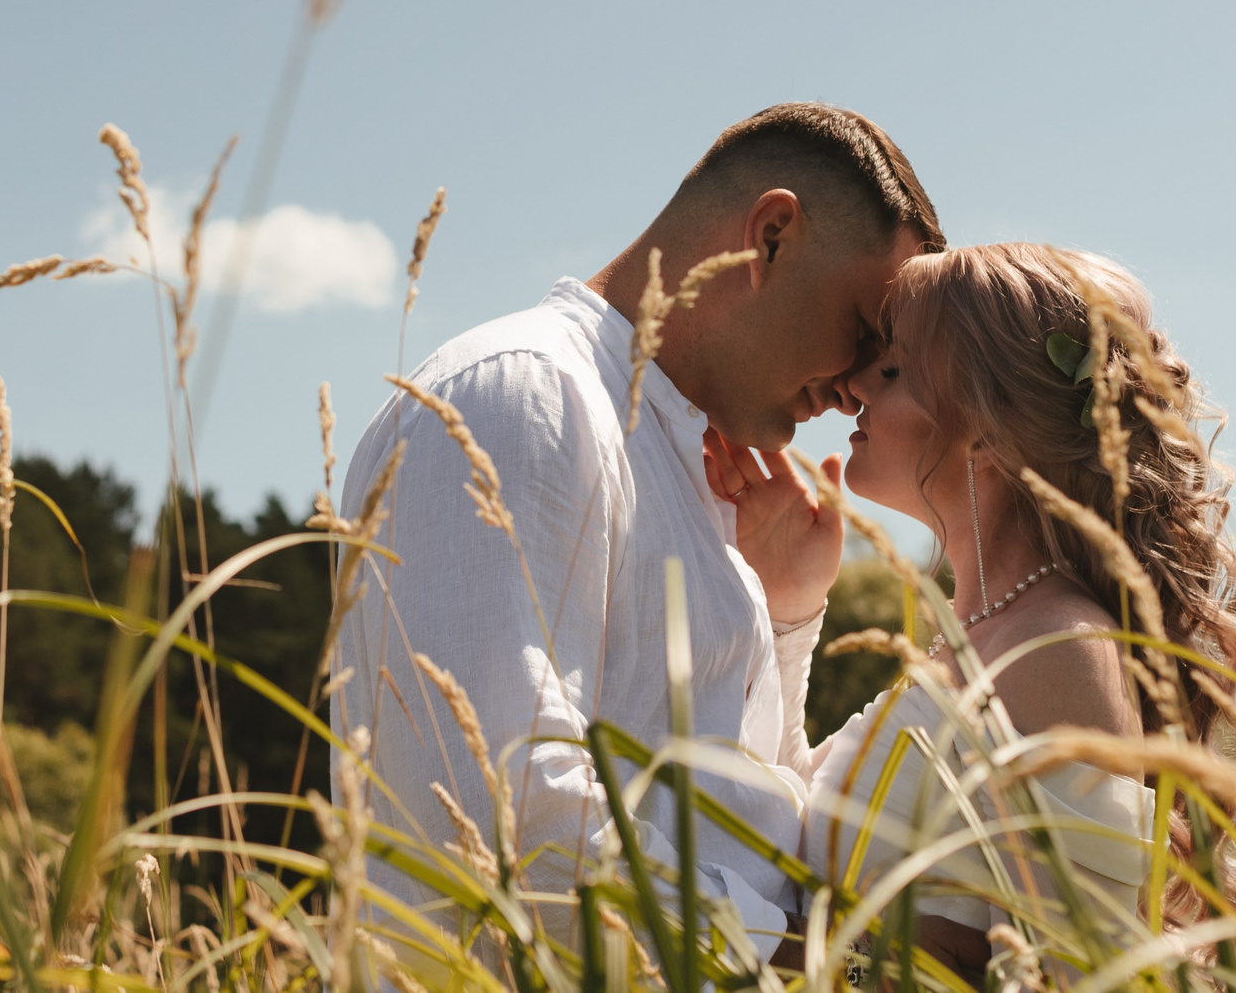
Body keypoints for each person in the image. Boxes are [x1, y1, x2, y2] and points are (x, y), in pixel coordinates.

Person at [329, 102, 942, 953]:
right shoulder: (522, 398)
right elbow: (503, 822)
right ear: (770, 237)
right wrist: (805, 962)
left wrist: (788, 617)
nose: (857, 390)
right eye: (865, 329)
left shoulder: (695, 467)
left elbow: (756, 821)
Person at [710, 243, 1236, 981]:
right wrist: (792, 607)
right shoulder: (976, 638)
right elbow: (787, 823)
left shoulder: (1057, 646)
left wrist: (811, 948)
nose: (852, 386)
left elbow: (1071, 972)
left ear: (984, 428)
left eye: (891, 370)